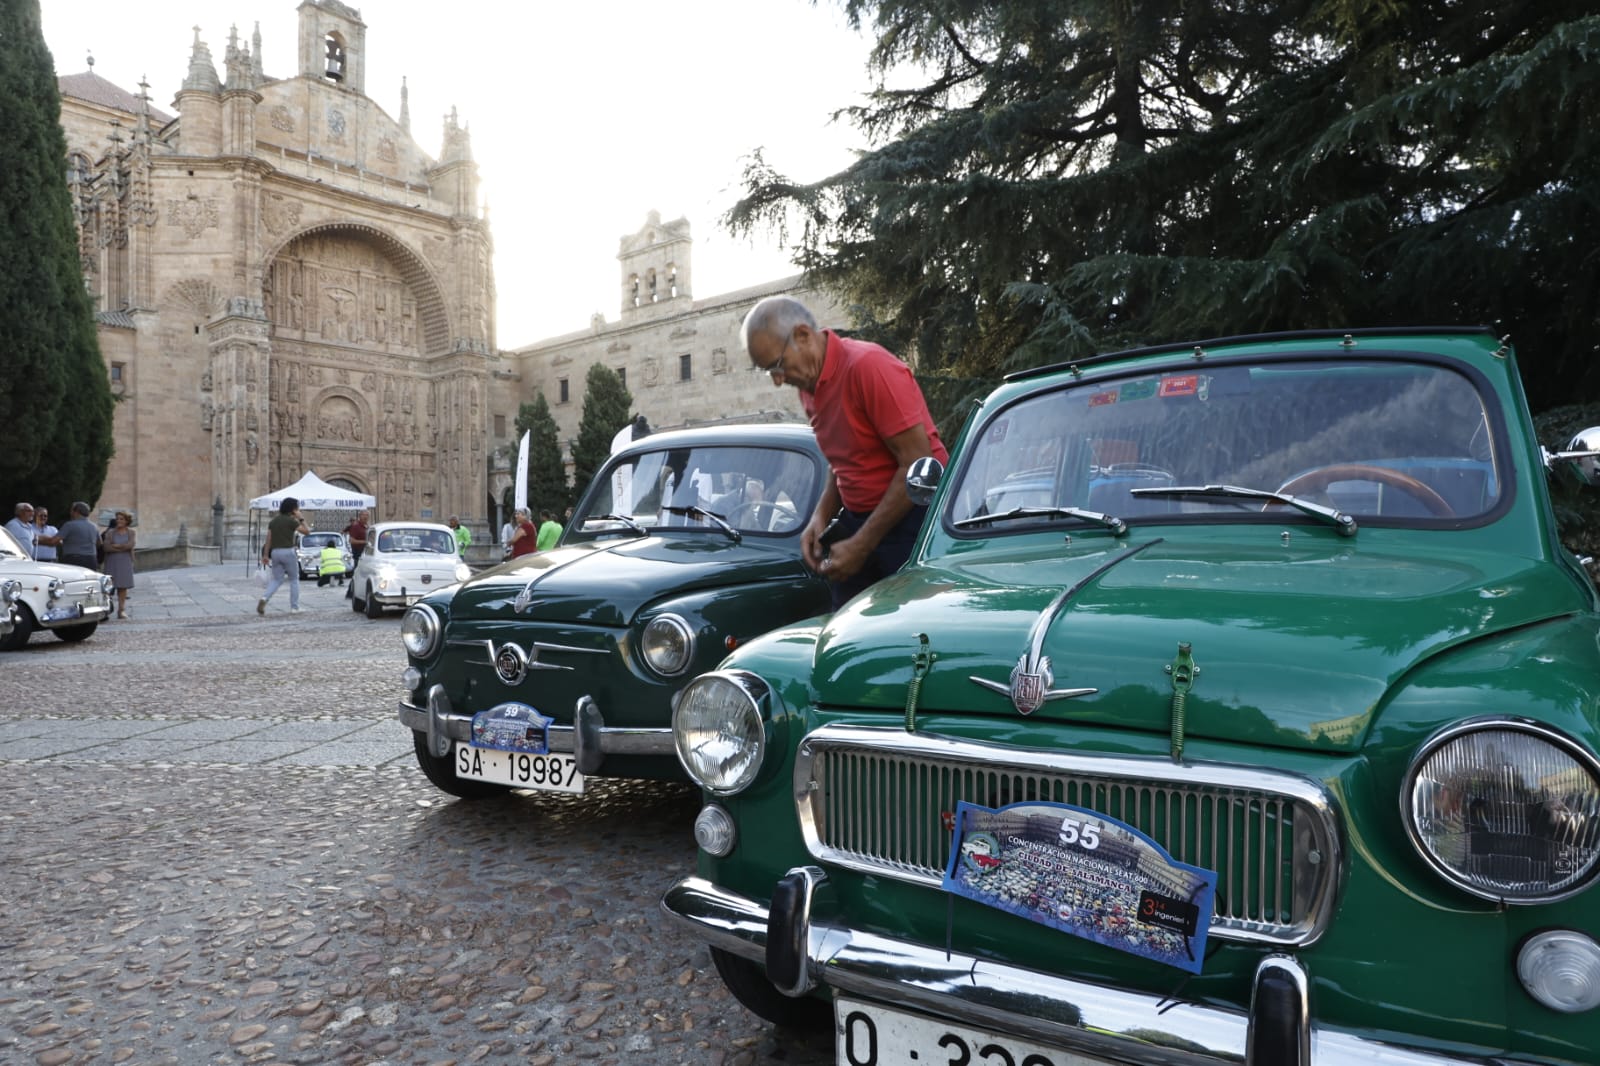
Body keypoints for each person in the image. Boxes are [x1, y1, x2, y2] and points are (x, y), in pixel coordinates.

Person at [741, 295, 948, 608]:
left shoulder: (868, 367)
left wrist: (862, 544)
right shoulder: (808, 387)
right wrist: (821, 515)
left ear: (802, 335)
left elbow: (919, 468)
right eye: (768, 371)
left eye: (778, 366)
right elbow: (842, 462)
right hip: (862, 522)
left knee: (913, 638)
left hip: (916, 519)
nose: (778, 381)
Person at [258, 497, 310, 614]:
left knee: (277, 579)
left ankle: (264, 598)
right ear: (293, 509)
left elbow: (268, 540)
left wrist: (265, 555)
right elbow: (307, 532)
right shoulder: (291, 521)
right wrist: (301, 518)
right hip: (288, 551)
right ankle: (294, 607)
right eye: (297, 508)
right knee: (294, 579)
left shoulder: (274, 521)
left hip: (275, 552)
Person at [101, 511, 137, 618]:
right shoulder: (110, 532)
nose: (119, 521)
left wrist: (116, 546)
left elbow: (130, 545)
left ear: (126, 521)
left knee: (123, 587)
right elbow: (106, 547)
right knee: (109, 587)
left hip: (125, 561)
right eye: (117, 519)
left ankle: (121, 610)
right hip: (112, 561)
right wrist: (122, 546)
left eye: (121, 519)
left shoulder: (131, 532)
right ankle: (106, 609)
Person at [57, 502, 100, 571]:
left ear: (76, 512)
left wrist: (39, 539)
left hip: (73, 559)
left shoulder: (69, 525)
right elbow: (99, 543)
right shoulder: (94, 526)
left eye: (71, 510)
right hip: (91, 559)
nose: (70, 512)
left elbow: (54, 540)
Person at [344, 509, 369, 599]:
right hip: (358, 554)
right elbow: (352, 540)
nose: (366, 517)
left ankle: (351, 592)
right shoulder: (356, 527)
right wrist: (365, 542)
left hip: (366, 554)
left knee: (358, 574)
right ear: (360, 516)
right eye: (364, 515)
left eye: (367, 515)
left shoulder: (367, 527)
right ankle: (351, 592)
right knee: (357, 573)